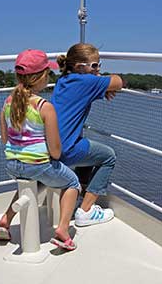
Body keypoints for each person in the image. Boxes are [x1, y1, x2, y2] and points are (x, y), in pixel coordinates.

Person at [0, 49, 81, 251]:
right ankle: (62, 230)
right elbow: (56, 151)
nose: (49, 78)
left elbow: (5, 138)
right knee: (72, 182)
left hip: (13, 164)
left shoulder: (8, 103)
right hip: (36, 165)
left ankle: (5, 221)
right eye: (48, 74)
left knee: (36, 182)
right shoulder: (44, 106)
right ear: (40, 77)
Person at [51, 43, 124, 227]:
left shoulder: (64, 80)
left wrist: (100, 85)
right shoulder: (87, 82)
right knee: (108, 156)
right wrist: (101, 81)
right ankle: (86, 211)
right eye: (94, 65)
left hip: (53, 147)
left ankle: (80, 199)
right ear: (79, 66)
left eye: (99, 65)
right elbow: (119, 81)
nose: (98, 69)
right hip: (66, 150)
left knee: (89, 151)